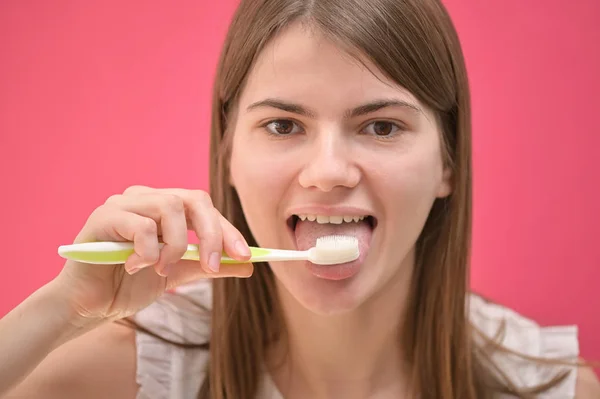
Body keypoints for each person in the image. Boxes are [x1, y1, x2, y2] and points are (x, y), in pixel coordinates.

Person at [1, 0, 599, 398]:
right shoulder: (130, 374)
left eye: (382, 126)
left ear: (447, 161)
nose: (330, 172)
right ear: (228, 152)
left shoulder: (548, 389)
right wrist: (63, 310)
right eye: (285, 125)